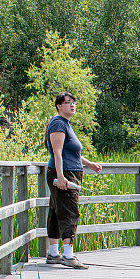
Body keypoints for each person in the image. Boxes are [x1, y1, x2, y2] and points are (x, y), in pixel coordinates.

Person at [44, 92, 102, 269]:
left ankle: (54, 254)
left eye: (74, 102)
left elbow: (72, 153)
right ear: (59, 106)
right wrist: (60, 177)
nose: (72, 105)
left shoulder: (65, 124)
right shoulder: (58, 123)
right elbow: (57, 152)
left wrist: (89, 164)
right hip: (64, 174)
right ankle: (68, 256)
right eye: (67, 102)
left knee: (56, 211)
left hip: (68, 171)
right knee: (71, 212)